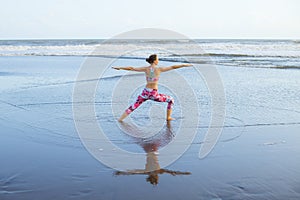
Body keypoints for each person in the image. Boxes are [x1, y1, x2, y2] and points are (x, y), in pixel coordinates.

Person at [112, 54, 192, 122]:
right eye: (157, 59)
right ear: (154, 61)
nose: (158, 61)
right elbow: (173, 66)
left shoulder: (146, 69)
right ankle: (168, 117)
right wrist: (185, 65)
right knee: (171, 100)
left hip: (145, 92)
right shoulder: (159, 69)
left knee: (134, 106)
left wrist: (120, 67)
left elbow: (131, 68)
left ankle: (120, 119)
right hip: (153, 94)